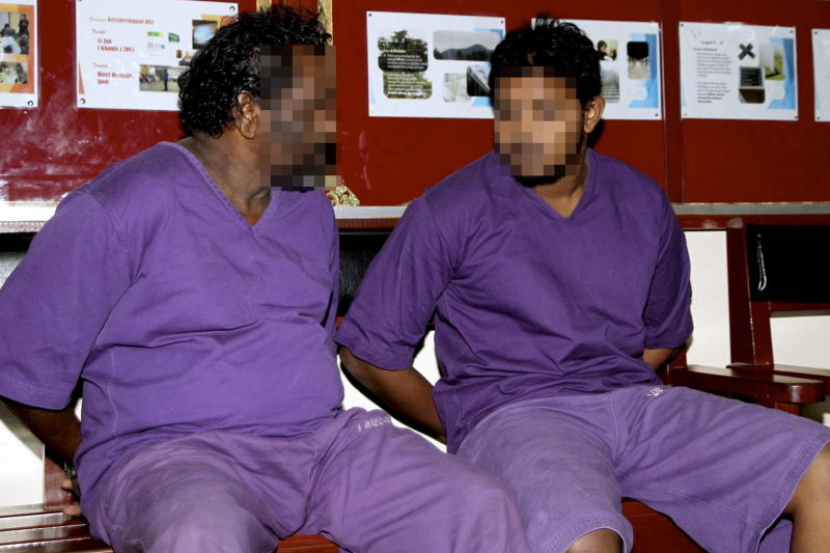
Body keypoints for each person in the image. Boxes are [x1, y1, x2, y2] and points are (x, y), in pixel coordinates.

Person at [0, 7, 530, 553]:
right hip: (173, 457)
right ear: (250, 111)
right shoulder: (118, 208)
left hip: (319, 448)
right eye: (315, 106)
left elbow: (312, 340)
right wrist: (91, 460)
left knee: (478, 506)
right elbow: (17, 363)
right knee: (202, 534)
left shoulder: (310, 209)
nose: (331, 125)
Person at [336, 16, 830, 553]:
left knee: (823, 470)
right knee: (585, 540)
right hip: (520, 417)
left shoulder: (642, 201)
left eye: (545, 112)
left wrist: (603, 384)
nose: (523, 131)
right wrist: (464, 421)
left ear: (590, 112)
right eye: (508, 112)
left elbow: (664, 334)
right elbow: (367, 355)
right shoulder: (449, 210)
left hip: (637, 406)